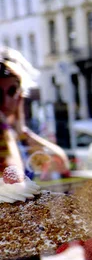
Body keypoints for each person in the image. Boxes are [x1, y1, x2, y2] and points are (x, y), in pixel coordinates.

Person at [0, 46, 68, 175]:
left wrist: (20, 129)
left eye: (12, 91)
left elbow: (60, 164)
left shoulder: (19, 136)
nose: (5, 101)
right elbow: (13, 177)